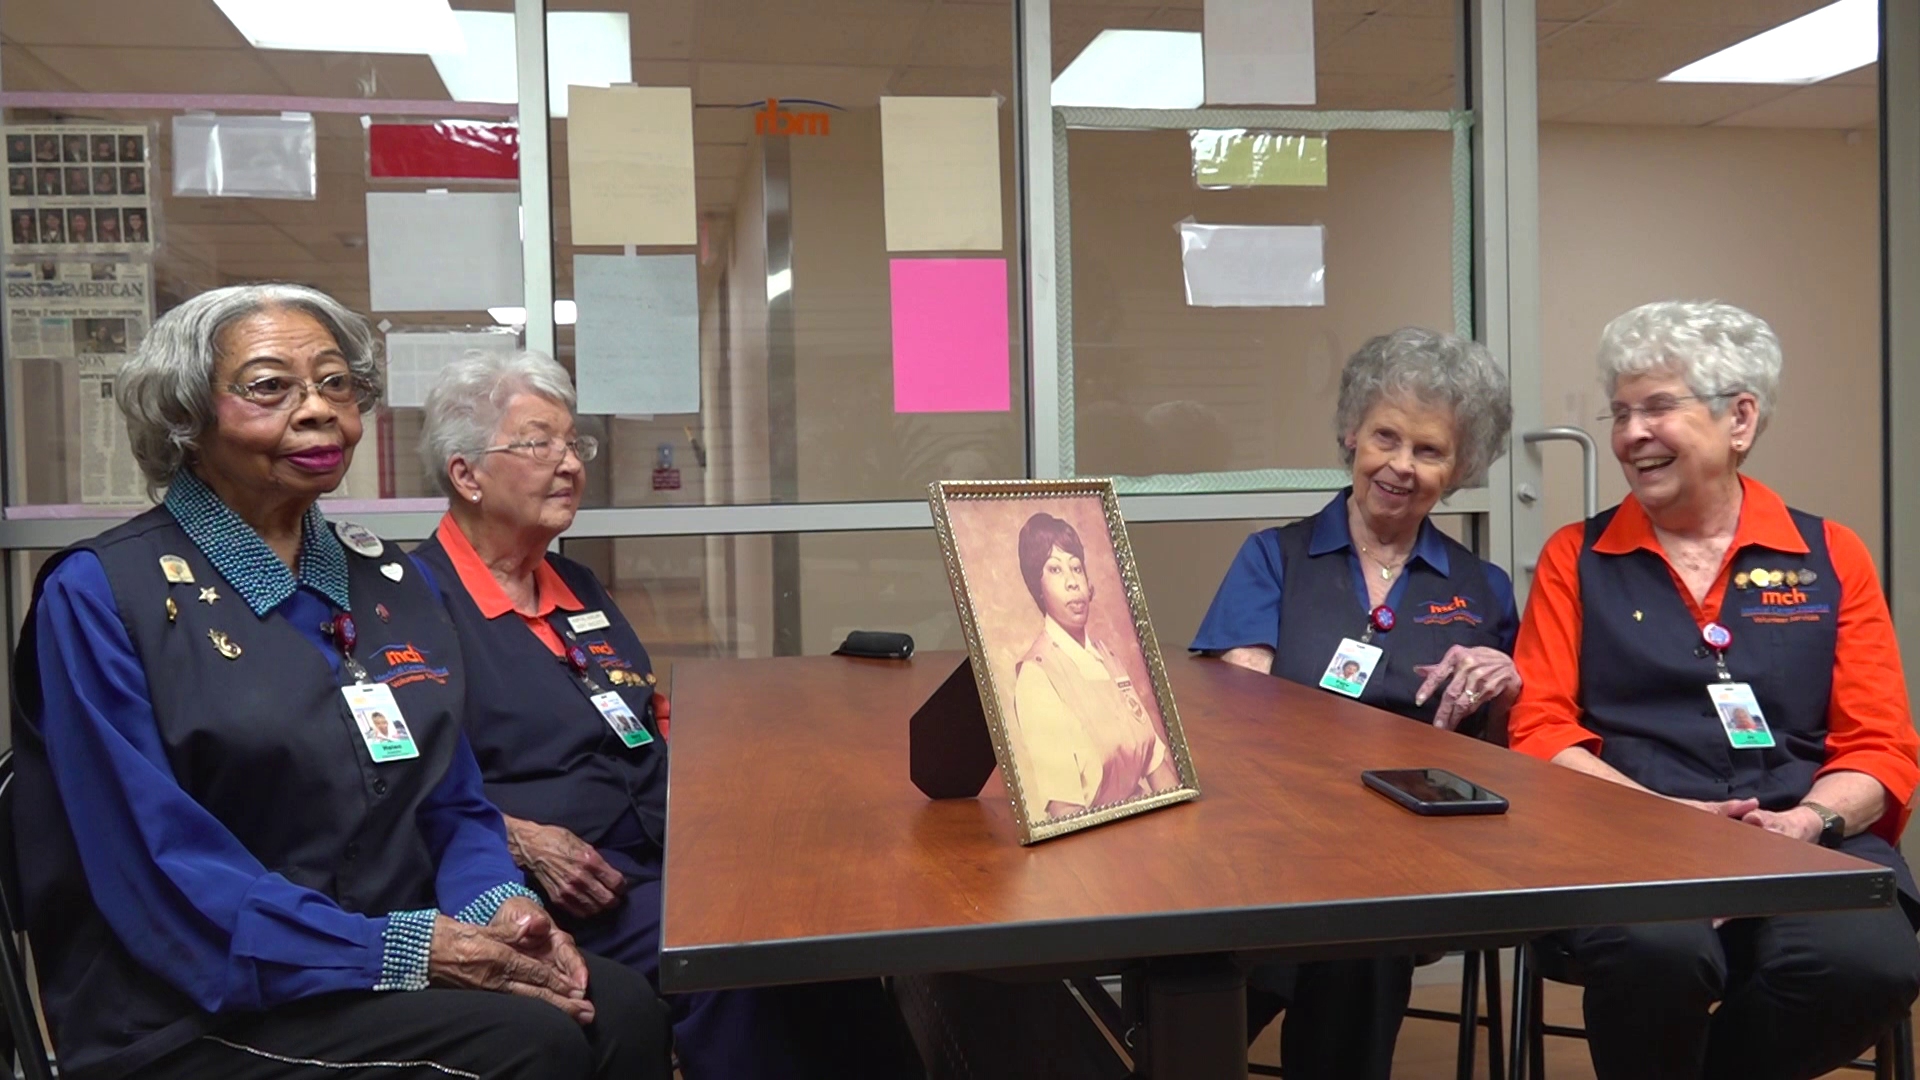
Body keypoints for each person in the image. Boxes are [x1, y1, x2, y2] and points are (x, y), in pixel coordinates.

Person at [11, 284, 671, 1080]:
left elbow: (452, 803)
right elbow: (159, 871)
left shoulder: (392, 581)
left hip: (393, 951)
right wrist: (401, 949)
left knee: (621, 1008)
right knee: (533, 1044)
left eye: (335, 383)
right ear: (186, 417)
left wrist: (504, 908)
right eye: (269, 387)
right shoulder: (101, 594)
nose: (320, 409)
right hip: (198, 997)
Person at [412, 350, 923, 1079]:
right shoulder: (413, 604)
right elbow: (399, 788)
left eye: (572, 443)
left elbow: (645, 716)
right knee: (737, 956)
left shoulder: (578, 586)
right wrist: (520, 839)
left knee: (826, 928)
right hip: (570, 891)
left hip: (678, 857)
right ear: (465, 474)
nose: (567, 463)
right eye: (537, 443)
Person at [1509, 299, 1920, 1079]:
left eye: (1658, 407)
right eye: (1621, 412)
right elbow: (1539, 731)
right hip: (1631, 841)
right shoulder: (1577, 557)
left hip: (1804, 836)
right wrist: (1663, 818)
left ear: (1740, 419)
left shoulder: (1830, 555)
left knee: (1865, 966)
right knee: (1654, 953)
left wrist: (1808, 821)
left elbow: (1882, 742)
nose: (1631, 434)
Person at [1190, 326, 1519, 1080]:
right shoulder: (1274, 557)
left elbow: (1505, 753)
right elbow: (1236, 715)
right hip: (1281, 822)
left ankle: (1176, 1043)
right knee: (1336, 920)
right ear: (1351, 433)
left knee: (1365, 915)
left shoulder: (1482, 587)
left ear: (1461, 467)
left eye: (1429, 451)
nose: (1400, 466)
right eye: (1385, 437)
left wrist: (1504, 681)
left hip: (1419, 838)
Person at [1009, 512, 1179, 820]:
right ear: (1038, 587)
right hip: (1094, 844)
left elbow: (1156, 765)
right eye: (1055, 570)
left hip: (1143, 827)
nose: (1072, 582)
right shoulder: (1038, 676)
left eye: (1076, 567)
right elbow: (1065, 811)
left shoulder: (1107, 658)